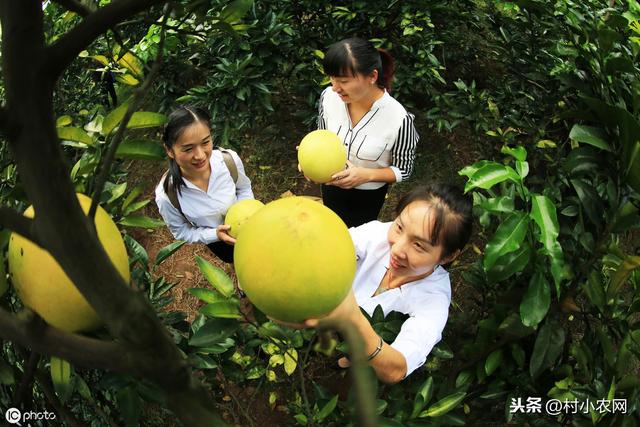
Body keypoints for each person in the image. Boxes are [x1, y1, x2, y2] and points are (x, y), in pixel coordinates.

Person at [306, 184, 473, 383]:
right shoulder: (378, 235)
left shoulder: (433, 300)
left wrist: (353, 317)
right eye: (399, 226)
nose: (397, 249)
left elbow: (396, 369)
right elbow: (332, 248)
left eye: (418, 245)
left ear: (447, 256)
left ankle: (347, 361)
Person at [316, 37, 419, 228]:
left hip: (367, 196)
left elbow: (404, 169)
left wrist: (365, 175)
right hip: (331, 185)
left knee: (356, 244)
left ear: (372, 76)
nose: (335, 87)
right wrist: (310, 159)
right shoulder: (328, 98)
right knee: (329, 229)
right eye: (332, 78)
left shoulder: (399, 119)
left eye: (343, 81)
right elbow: (322, 137)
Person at [155, 106, 254, 263]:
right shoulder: (167, 195)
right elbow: (181, 231)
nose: (200, 155)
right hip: (219, 243)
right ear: (169, 150)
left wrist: (247, 214)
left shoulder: (229, 161)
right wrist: (214, 234)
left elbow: (243, 188)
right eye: (188, 149)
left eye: (205, 142)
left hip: (251, 228)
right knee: (236, 260)